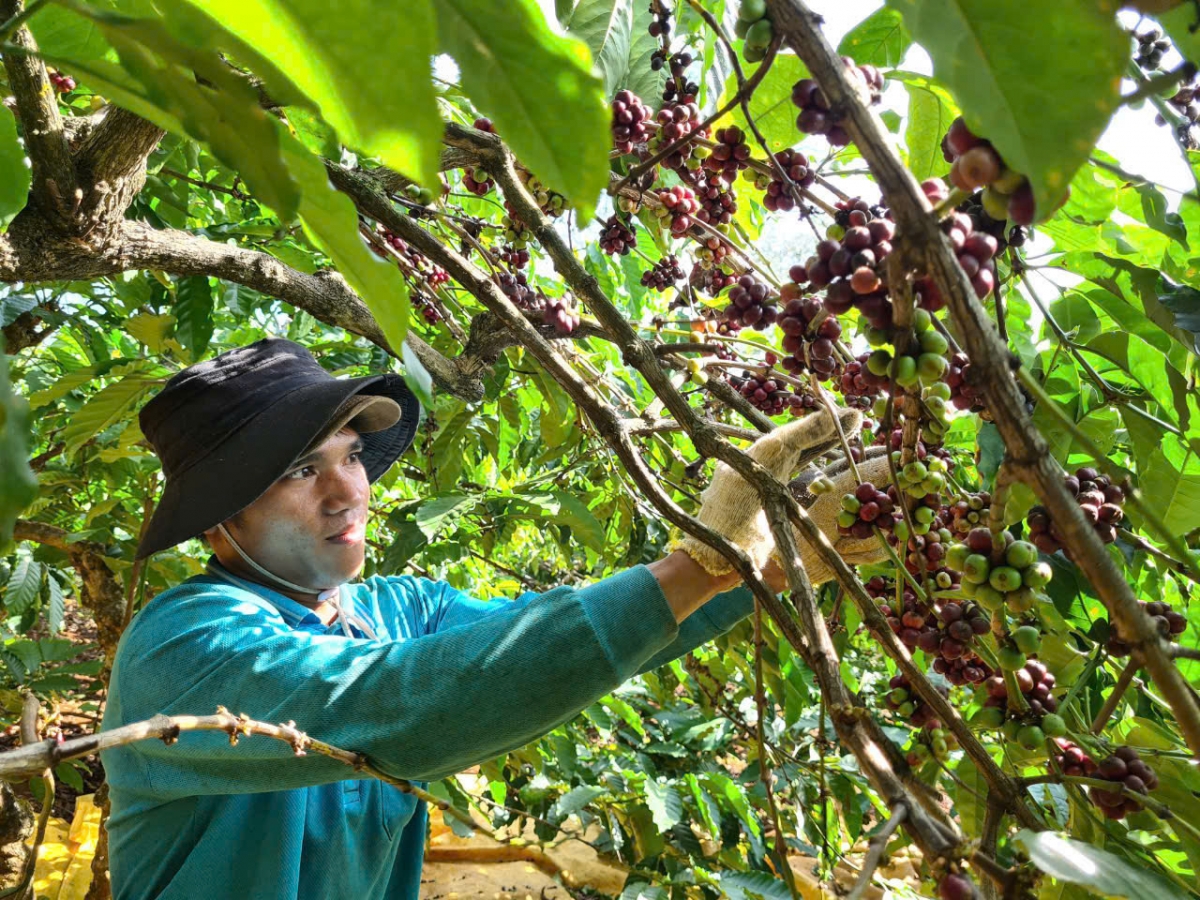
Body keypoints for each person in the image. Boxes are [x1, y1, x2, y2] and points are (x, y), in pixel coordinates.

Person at [99, 337, 884, 900]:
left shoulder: (399, 610)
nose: (347, 492)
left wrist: (768, 571)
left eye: (347, 455)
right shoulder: (185, 644)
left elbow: (553, 647)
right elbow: (399, 702)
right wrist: (696, 566)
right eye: (301, 471)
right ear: (216, 521)